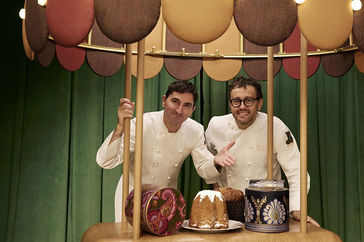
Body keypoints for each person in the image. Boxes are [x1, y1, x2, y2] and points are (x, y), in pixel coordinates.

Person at [97, 80, 236, 222]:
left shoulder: (195, 130)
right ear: (164, 100)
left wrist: (216, 161)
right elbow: (106, 161)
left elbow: (203, 168)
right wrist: (120, 127)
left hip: (165, 200)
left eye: (186, 105)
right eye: (175, 101)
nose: (179, 110)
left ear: (193, 110)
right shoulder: (143, 124)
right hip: (131, 196)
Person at [205, 76, 319, 226]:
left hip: (266, 210)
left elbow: (296, 171)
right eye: (236, 101)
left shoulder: (275, 127)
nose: (242, 106)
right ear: (230, 104)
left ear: (259, 103)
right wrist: (215, 184)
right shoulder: (216, 125)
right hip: (227, 210)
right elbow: (206, 161)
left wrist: (296, 208)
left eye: (249, 100)